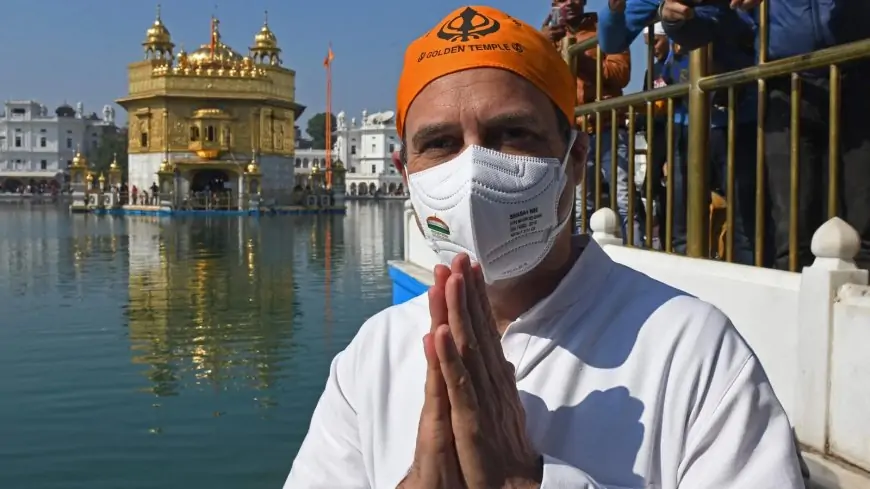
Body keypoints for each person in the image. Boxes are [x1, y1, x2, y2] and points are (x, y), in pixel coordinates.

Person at [285, 5, 804, 488]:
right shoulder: (372, 357)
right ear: (405, 174)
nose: (472, 172)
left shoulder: (691, 352)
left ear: (575, 159)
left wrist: (527, 481)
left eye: (512, 133)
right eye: (440, 143)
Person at [661, 0, 870, 271]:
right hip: (787, 89)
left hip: (860, 78)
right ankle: (794, 309)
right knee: (793, 234)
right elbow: (711, 19)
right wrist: (676, 19)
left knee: (862, 228)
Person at [599, 0, 760, 264]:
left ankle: (750, 295)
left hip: (740, 115)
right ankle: (687, 296)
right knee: (681, 225)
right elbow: (612, 43)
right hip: (685, 121)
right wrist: (614, 9)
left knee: (746, 225)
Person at [541, 0, 643, 246]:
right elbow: (537, 78)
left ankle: (638, 254)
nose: (569, 3)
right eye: (562, 0)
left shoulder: (604, 26)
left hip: (608, 125)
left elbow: (621, 74)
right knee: (578, 206)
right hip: (573, 131)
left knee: (624, 199)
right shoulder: (549, 35)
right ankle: (583, 261)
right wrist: (542, 43)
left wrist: (578, 56)